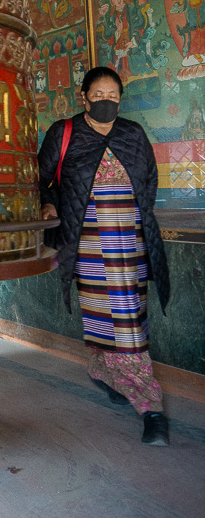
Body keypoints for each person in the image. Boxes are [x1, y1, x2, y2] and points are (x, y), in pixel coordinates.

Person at [39, 66, 170, 445]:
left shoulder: (133, 133)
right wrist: (49, 204)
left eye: (113, 96)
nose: (106, 102)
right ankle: (146, 404)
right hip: (88, 241)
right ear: (83, 98)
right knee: (105, 314)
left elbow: (149, 178)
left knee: (129, 316)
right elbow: (40, 178)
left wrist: (133, 214)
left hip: (132, 240)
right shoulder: (64, 132)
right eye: (99, 95)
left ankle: (127, 385)